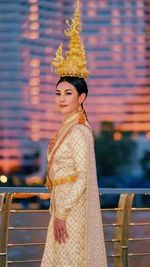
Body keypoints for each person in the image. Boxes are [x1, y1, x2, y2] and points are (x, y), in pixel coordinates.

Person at [41, 1, 108, 266]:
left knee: (69, 258)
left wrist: (62, 213)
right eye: (58, 93)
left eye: (68, 93)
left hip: (70, 211)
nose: (61, 98)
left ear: (81, 97)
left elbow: (81, 178)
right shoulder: (69, 127)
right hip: (61, 207)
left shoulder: (78, 131)